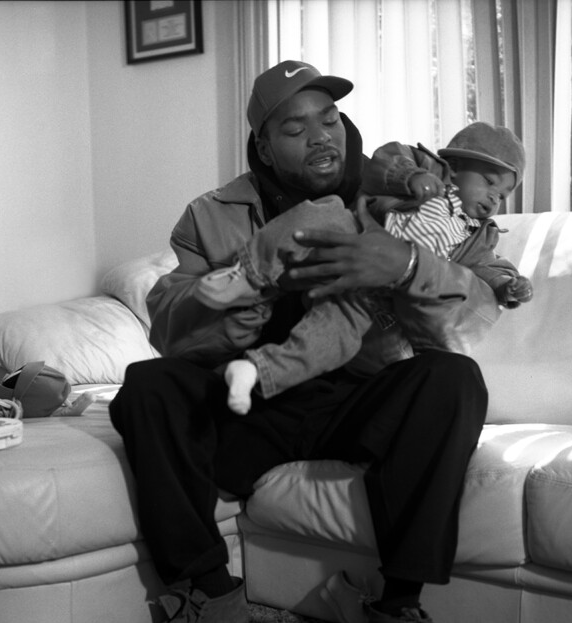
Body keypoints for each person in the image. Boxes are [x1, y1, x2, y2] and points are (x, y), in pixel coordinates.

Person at [109, 60, 501, 623]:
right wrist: (245, 299)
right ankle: (208, 593)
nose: (322, 136)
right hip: (251, 401)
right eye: (295, 126)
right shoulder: (209, 216)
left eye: (330, 119)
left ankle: (396, 613)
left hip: (355, 396)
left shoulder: (402, 194)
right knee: (148, 385)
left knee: (452, 378)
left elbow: (473, 305)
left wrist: (404, 265)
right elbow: (170, 327)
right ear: (263, 144)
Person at [197, 122, 532, 415]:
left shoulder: (475, 236)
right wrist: (410, 176)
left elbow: (486, 268)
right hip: (352, 237)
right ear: (455, 165)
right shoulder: (426, 170)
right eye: (489, 182)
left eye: (502, 195)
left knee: (331, 340)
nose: (493, 199)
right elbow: (382, 162)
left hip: (370, 303)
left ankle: (255, 371)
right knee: (324, 213)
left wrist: (507, 284)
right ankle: (248, 274)